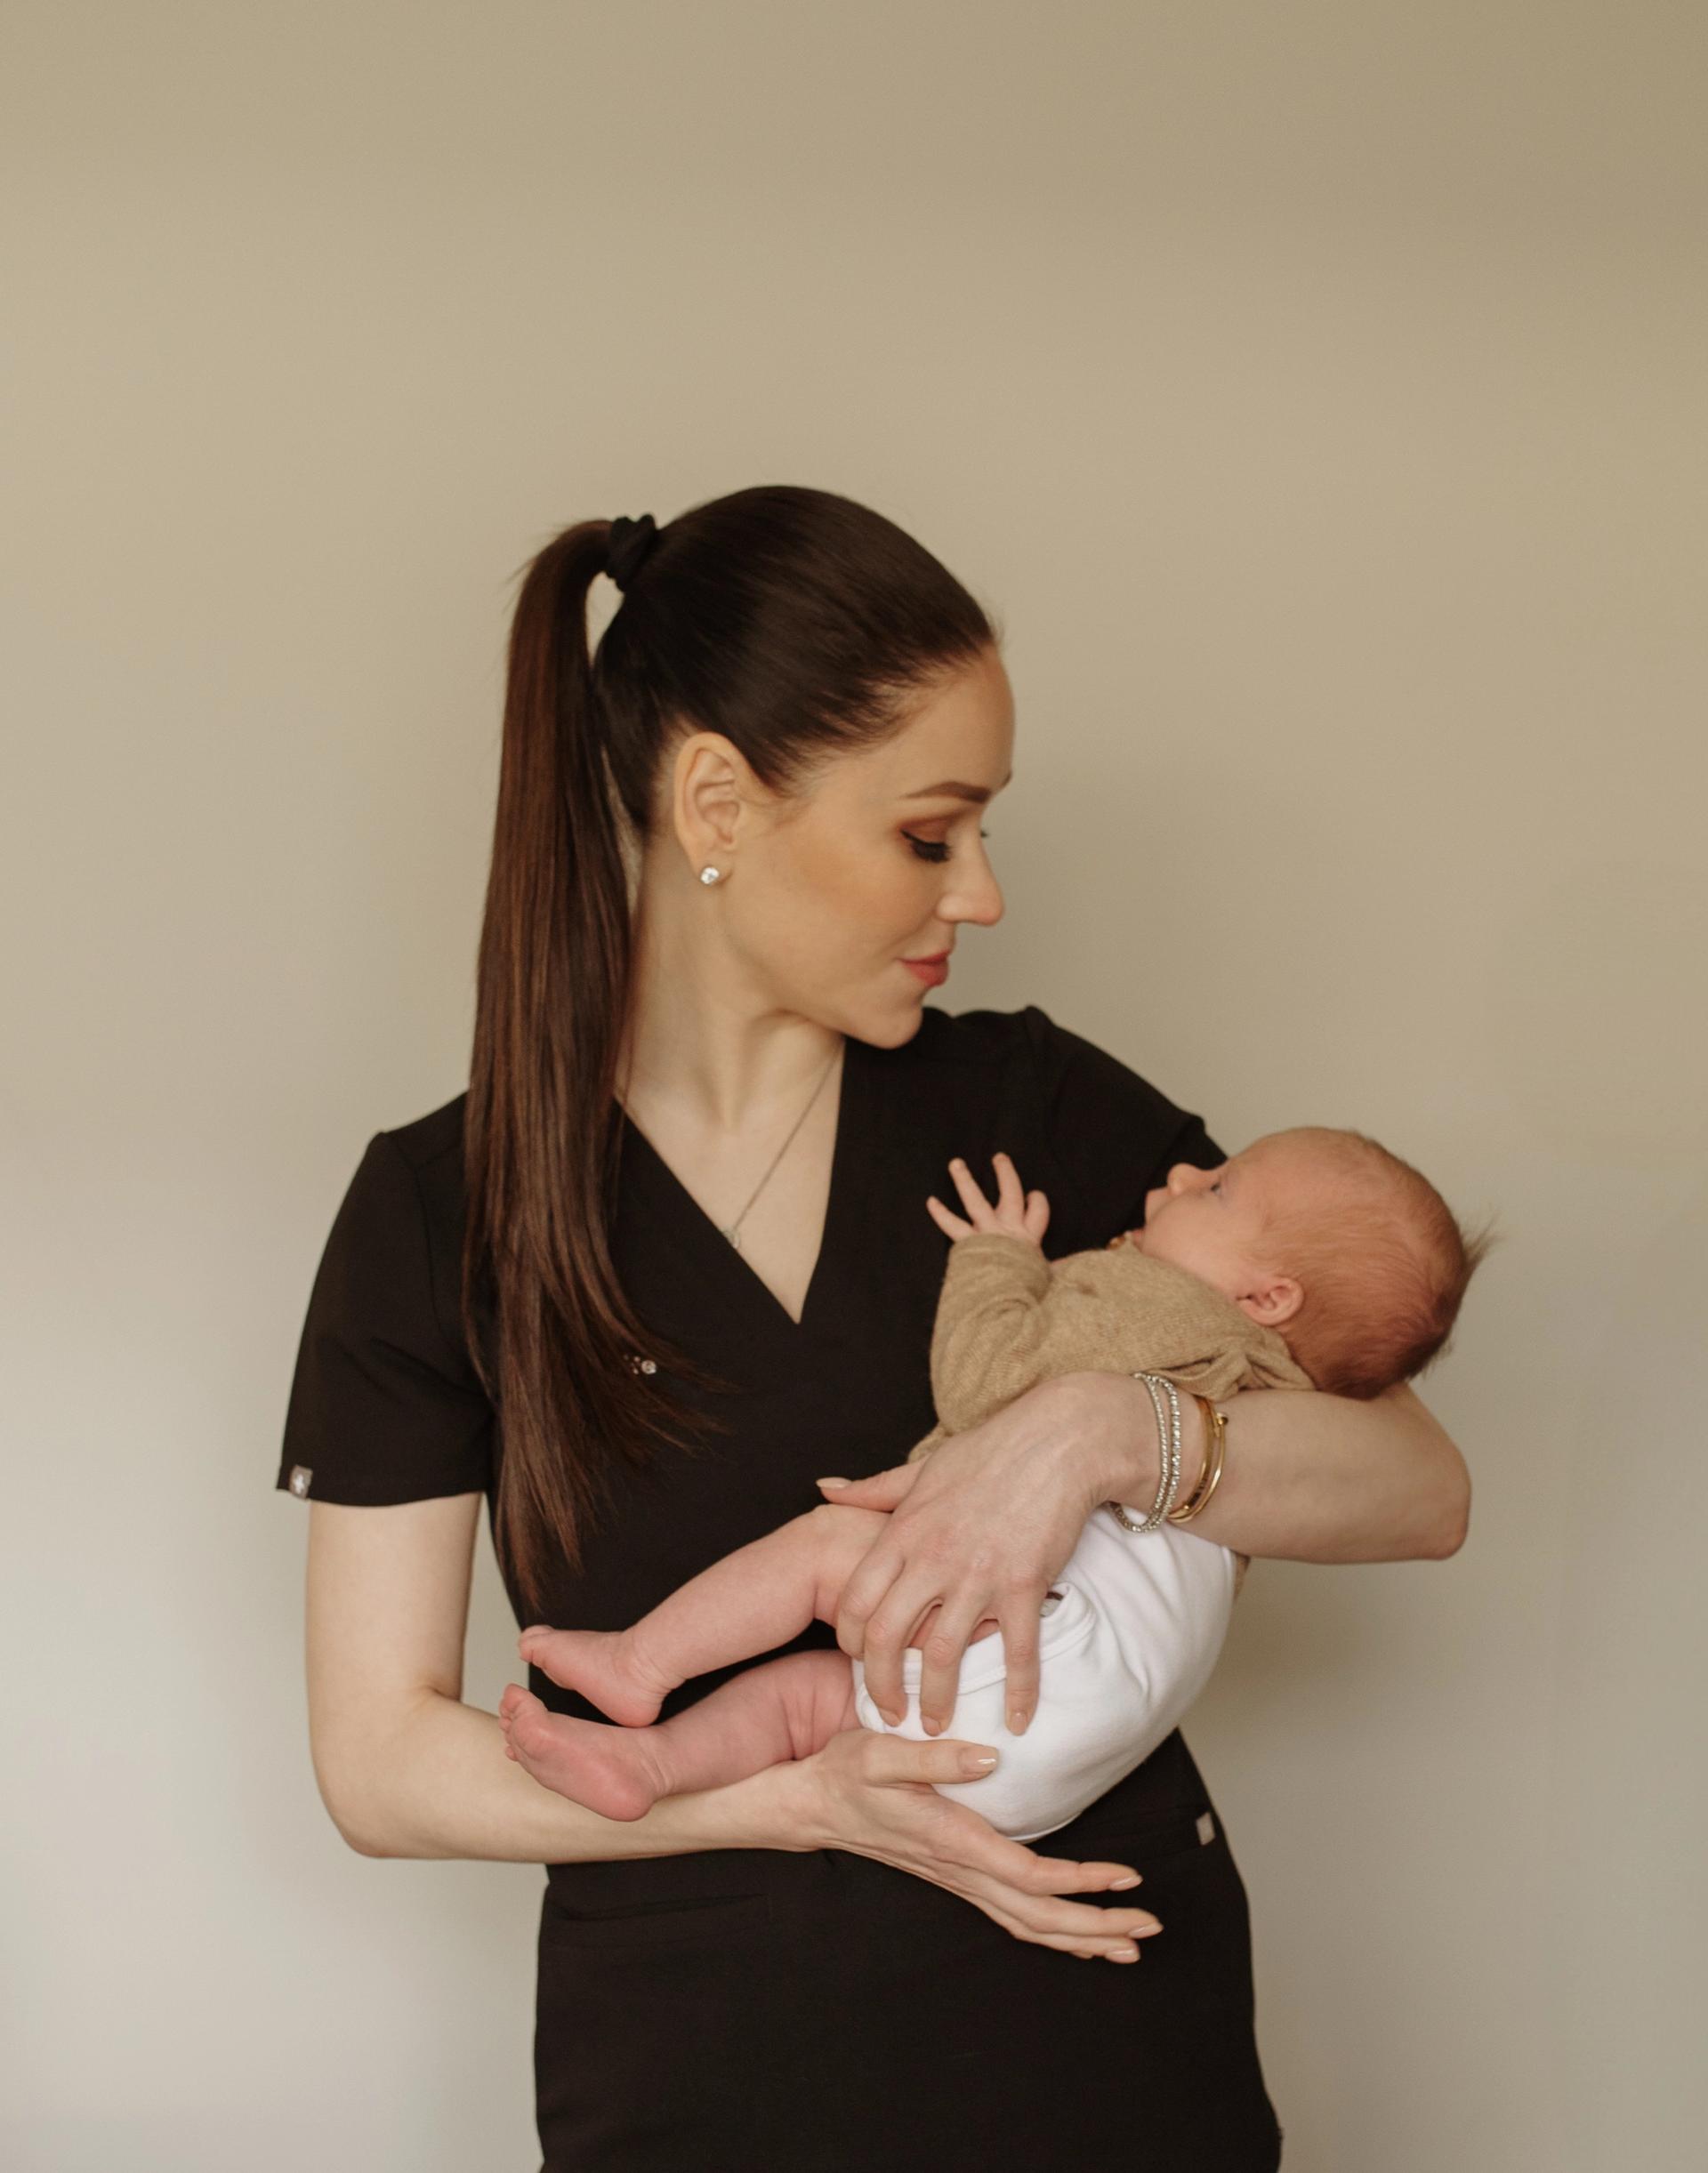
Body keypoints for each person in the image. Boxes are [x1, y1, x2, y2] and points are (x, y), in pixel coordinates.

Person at [276, 485, 1471, 2171]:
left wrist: (1092, 1434)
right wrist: (788, 1796)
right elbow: (382, 1765)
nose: (979, 894)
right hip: (704, 2086)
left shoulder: (1034, 1109)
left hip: (1112, 2066)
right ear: (716, 801)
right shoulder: (440, 1210)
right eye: (931, 832)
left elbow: (1421, 1485)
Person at [500, 1126, 1485, 1843]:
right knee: (824, 1700)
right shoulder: (1277, 1380)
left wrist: (997, 1259)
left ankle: (640, 1672)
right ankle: (651, 1768)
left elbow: (987, 1383)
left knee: (831, 1551)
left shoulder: (1159, 1302)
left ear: (1267, 1298)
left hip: (1048, 1657)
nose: (1181, 1169)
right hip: (1062, 1757)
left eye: (1218, 1187)